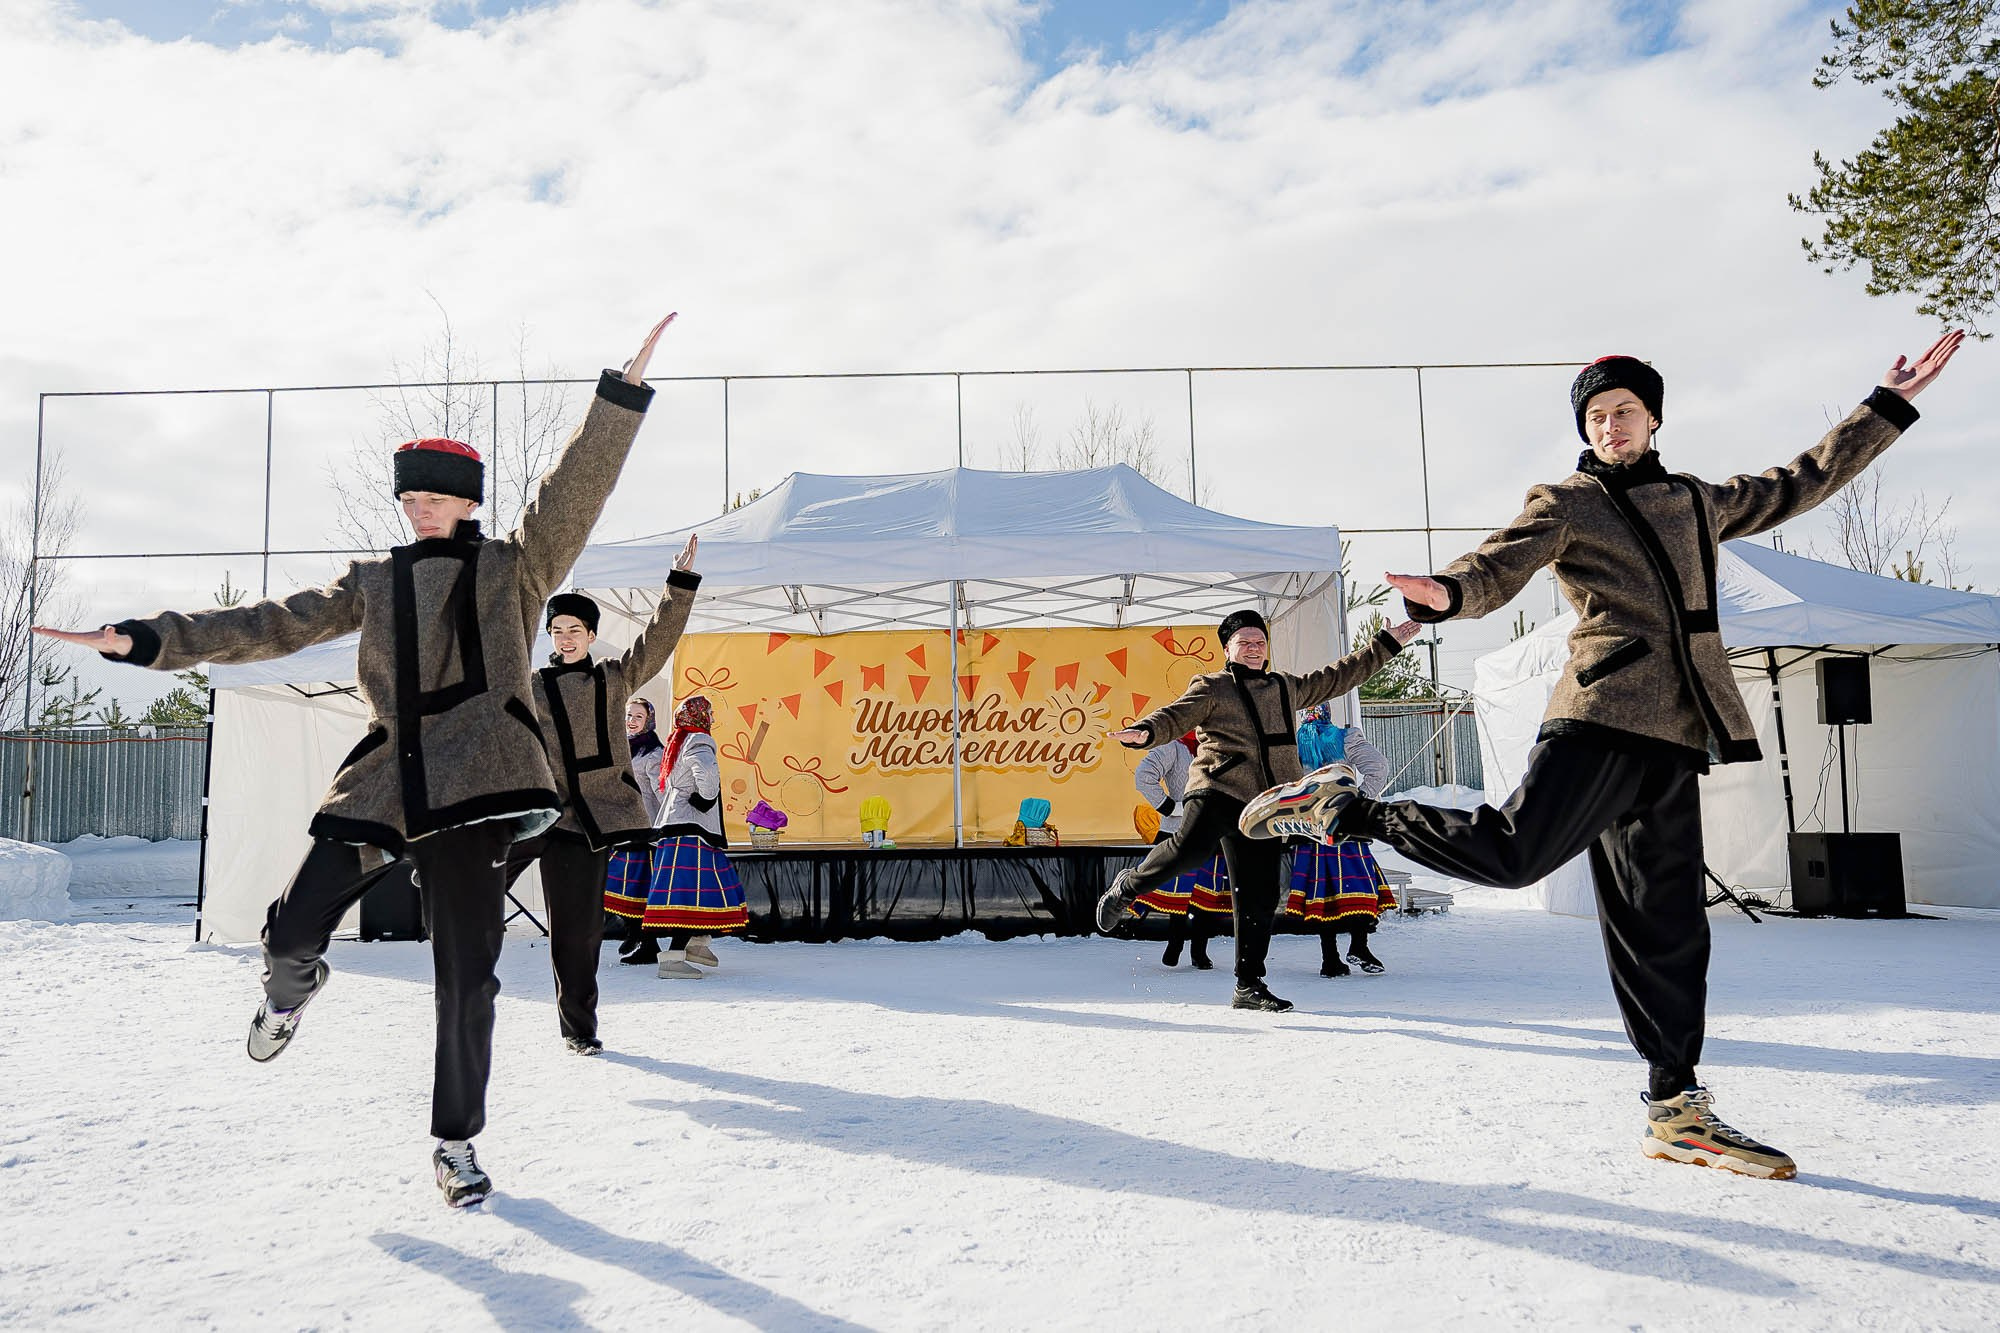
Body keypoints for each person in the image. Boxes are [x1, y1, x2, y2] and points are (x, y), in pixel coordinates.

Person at [1239, 333, 1965, 1176]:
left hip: (1676, 734)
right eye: (1595, 415)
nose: (1610, 424)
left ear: (1653, 417)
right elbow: (1501, 560)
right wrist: (1452, 595)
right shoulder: (1570, 499)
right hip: (1601, 712)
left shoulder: (1699, 498)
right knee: (1515, 853)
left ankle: (1676, 1105)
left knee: (1666, 923)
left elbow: (1802, 480)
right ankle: (1342, 809)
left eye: (1623, 410)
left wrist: (1886, 406)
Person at [35, 314, 680, 1208]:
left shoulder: (514, 568)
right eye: (410, 497)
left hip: (479, 781)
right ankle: (291, 988)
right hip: (386, 775)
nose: (419, 508)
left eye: (436, 497)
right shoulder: (370, 581)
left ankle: (456, 1144)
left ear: (467, 502)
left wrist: (618, 394)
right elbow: (268, 623)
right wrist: (146, 639)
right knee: (295, 924)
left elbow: (575, 491)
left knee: (467, 975)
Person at [1094, 608, 1422, 1011]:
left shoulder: (1285, 686)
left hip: (1266, 803)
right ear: (1228, 648)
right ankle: (1128, 887)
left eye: (1259, 642)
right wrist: (1146, 730)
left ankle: (1248, 985)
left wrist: (1386, 645)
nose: (1253, 648)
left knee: (1260, 895)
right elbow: (1175, 715)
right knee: (1189, 851)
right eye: (1244, 642)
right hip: (1217, 788)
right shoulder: (1212, 686)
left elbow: (1338, 676)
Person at [504, 535, 699, 1055]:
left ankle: (579, 1031)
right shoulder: (533, 684)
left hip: (586, 823)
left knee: (577, 933)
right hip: (536, 811)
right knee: (479, 862)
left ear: (591, 635)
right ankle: (441, 873)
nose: (565, 637)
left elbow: (657, 642)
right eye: (557, 630)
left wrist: (677, 586)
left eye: (574, 630)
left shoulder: (615, 678)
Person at [639, 695, 749, 976]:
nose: (711, 718)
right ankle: (673, 958)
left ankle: (697, 942)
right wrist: (703, 799)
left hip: (677, 825)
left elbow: (668, 785)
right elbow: (708, 781)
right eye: (709, 713)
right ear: (698, 716)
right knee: (690, 893)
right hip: (691, 828)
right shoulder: (699, 741)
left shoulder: (679, 740)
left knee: (692, 890)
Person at [1284, 708, 1394, 977]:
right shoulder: (1344, 738)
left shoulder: (1291, 745)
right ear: (1327, 713)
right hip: (1344, 826)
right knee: (1360, 888)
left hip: (1310, 827)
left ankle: (1330, 959)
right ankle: (1358, 946)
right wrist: (1358, 799)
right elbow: (1378, 767)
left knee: (1322, 895)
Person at [1128, 732, 1229, 969]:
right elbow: (1143, 776)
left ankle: (1199, 951)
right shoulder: (1173, 747)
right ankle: (1175, 944)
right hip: (1178, 831)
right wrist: (1169, 807)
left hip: (1211, 831)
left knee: (1206, 893)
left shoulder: (1217, 747)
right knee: (1179, 893)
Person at [608, 696, 666, 956]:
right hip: (620, 826)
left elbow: (662, 792)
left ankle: (649, 944)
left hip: (643, 828)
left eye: (638, 717)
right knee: (618, 885)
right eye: (629, 715)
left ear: (648, 721)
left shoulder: (653, 753)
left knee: (639, 888)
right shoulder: (619, 747)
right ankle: (633, 933)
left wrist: (663, 823)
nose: (631, 721)